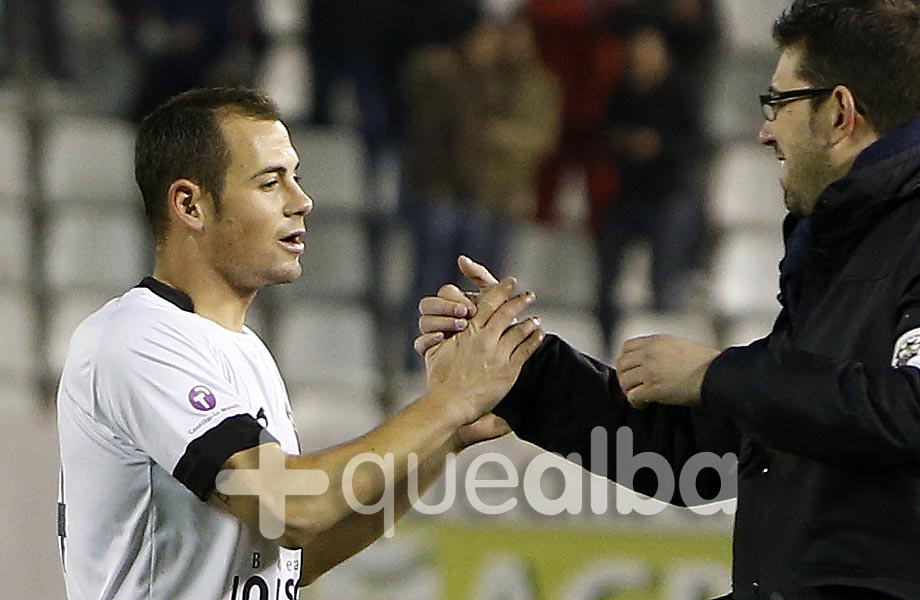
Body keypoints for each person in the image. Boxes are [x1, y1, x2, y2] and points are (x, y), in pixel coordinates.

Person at [415, 0, 920, 598]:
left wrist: (716, 374)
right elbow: (703, 459)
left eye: (778, 104)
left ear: (839, 113)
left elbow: (907, 411)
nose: (764, 130)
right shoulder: (838, 251)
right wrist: (520, 371)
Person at [55, 87, 545, 599]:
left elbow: (295, 556)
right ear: (190, 204)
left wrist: (450, 434)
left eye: (297, 179)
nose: (302, 201)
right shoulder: (134, 339)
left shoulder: (247, 351)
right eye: (271, 183)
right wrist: (447, 403)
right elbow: (290, 509)